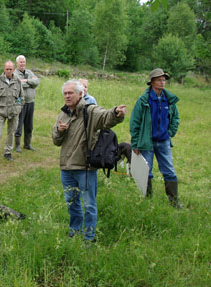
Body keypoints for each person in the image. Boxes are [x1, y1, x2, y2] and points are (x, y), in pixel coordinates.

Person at [52, 80, 126, 242]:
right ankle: (75, 231)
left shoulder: (90, 111)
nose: (67, 96)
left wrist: (116, 113)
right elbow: (56, 141)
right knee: (71, 203)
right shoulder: (63, 114)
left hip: (85, 167)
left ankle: (89, 237)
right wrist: (59, 130)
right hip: (66, 167)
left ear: (80, 94)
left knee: (89, 204)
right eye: (65, 93)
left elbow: (106, 117)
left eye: (70, 93)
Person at [130, 68, 182, 208]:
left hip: (164, 141)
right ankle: (147, 201)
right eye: (159, 79)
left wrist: (170, 132)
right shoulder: (144, 100)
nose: (162, 82)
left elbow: (175, 118)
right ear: (152, 82)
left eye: (164, 80)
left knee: (169, 171)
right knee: (147, 171)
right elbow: (135, 122)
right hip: (147, 142)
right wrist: (135, 144)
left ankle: (174, 202)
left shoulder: (168, 99)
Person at [0, 60, 24, 161]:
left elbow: (21, 97)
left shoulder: (18, 81)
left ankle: (8, 152)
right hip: (1, 112)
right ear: (4, 69)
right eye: (7, 69)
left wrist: (17, 108)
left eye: (10, 69)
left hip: (14, 112)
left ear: (13, 69)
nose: (8, 71)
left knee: (11, 133)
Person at [14, 55, 39, 152]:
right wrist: (30, 84)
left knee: (29, 124)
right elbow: (18, 84)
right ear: (17, 63)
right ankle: (17, 145)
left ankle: (27, 144)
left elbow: (37, 81)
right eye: (20, 62)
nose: (22, 64)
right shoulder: (15, 74)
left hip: (31, 102)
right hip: (20, 101)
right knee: (19, 123)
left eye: (24, 62)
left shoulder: (29, 72)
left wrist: (27, 80)